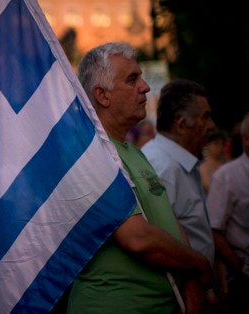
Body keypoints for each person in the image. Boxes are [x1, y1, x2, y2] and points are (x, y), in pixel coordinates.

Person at [68, 42, 213, 313]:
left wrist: (191, 281)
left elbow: (169, 221)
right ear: (103, 95)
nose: (145, 87)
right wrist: (199, 264)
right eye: (132, 79)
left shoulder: (136, 153)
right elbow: (138, 239)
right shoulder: (90, 154)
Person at [141, 79, 216, 267]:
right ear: (181, 125)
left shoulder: (179, 162)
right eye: (205, 117)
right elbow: (158, 245)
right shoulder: (162, 168)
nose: (211, 126)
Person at [207, 111, 249, 313]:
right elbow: (214, 231)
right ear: (246, 139)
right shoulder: (226, 177)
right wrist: (241, 268)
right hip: (246, 281)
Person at [200, 130, 228, 195]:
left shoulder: (227, 164)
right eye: (216, 143)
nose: (220, 146)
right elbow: (208, 186)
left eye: (222, 144)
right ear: (207, 145)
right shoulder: (202, 167)